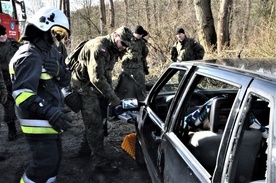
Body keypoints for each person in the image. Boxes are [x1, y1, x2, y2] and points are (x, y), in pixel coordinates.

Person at [9, 7, 72, 182]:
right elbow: (21, 94)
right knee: (43, 164)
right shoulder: (29, 54)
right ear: (43, 27)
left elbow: (66, 80)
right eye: (57, 33)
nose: (58, 39)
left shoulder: (52, 52)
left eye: (62, 35)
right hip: (36, 119)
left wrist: (60, 71)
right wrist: (49, 111)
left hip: (50, 117)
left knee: (54, 161)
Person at [69, 26, 133, 173]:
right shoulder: (99, 47)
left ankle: (84, 151)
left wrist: (109, 95)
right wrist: (114, 99)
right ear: (115, 35)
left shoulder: (113, 48)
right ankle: (100, 163)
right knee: (95, 123)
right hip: (85, 87)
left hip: (95, 86)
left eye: (126, 45)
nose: (124, 47)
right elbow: (96, 78)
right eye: (122, 43)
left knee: (98, 120)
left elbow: (106, 74)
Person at [115, 25, 149, 101]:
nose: (140, 36)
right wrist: (125, 57)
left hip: (138, 67)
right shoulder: (127, 39)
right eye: (139, 34)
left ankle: (142, 101)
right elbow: (120, 50)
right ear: (135, 33)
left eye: (141, 35)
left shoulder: (142, 42)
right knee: (123, 85)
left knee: (141, 85)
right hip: (127, 67)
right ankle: (119, 100)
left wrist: (143, 64)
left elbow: (145, 54)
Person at [0, 24, 20, 141]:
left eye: (4, 33)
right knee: (8, 106)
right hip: (4, 82)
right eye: (0, 35)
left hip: (18, 79)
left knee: (25, 103)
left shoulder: (14, 43)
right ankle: (12, 130)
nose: (3, 36)